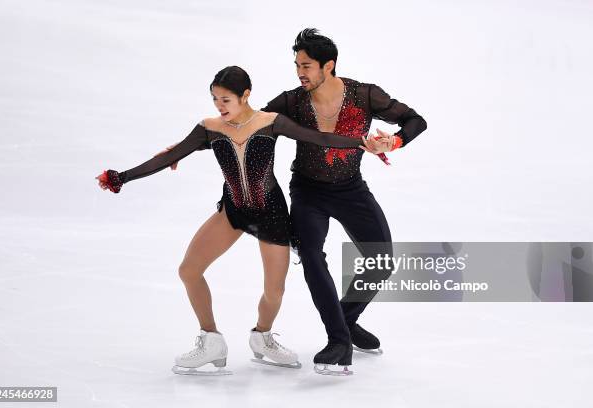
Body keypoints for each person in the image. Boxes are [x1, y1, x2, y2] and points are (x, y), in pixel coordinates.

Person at [95, 66, 392, 375]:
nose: (219, 107)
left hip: (271, 215)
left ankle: (262, 337)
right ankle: (211, 341)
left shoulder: (269, 123)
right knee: (189, 270)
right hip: (233, 211)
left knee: (274, 291)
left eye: (225, 100)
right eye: (214, 100)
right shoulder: (209, 128)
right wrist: (121, 178)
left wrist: (362, 143)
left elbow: (318, 137)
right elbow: (168, 157)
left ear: (245, 95)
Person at [259, 28, 428, 375]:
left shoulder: (365, 95)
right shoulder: (292, 101)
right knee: (310, 255)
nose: (300, 72)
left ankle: (346, 322)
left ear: (328, 65)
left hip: (351, 189)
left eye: (306, 66)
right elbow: (252, 125)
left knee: (381, 259)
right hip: (308, 191)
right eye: (297, 65)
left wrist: (393, 143)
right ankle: (338, 339)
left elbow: (416, 120)